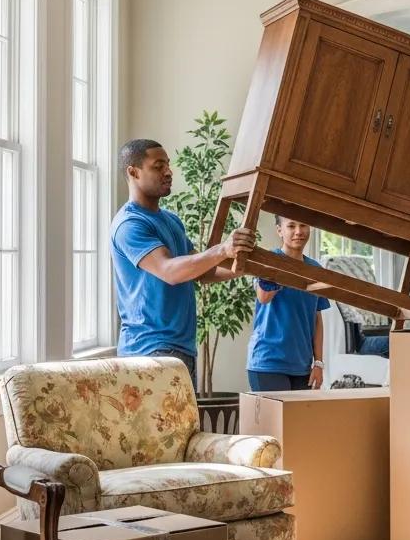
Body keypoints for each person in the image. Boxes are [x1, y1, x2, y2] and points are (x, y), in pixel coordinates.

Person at [110, 138, 253, 387]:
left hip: (181, 347)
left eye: (168, 164)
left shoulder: (171, 221)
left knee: (183, 427)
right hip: (149, 351)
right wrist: (222, 249)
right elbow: (169, 271)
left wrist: (245, 265)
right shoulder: (130, 225)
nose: (168, 171)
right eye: (158, 166)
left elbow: (199, 272)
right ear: (133, 172)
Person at [247, 216, 330, 392]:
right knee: (274, 420)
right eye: (291, 226)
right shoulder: (268, 260)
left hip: (302, 366)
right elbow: (264, 296)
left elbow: (317, 320)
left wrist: (319, 363)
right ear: (280, 230)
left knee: (299, 420)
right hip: (268, 363)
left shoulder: (315, 270)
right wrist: (288, 269)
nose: (298, 231)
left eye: (303, 224)